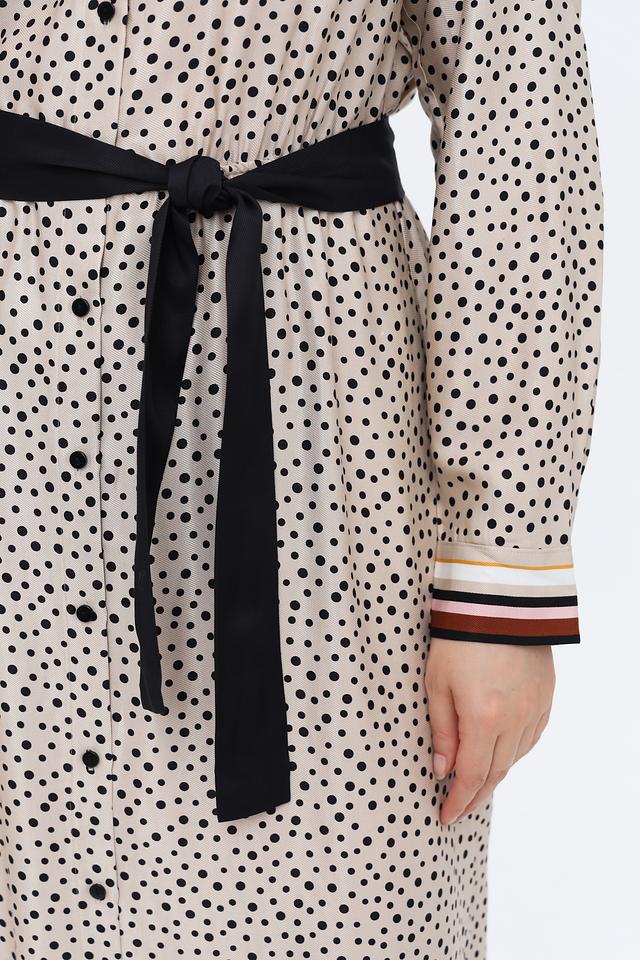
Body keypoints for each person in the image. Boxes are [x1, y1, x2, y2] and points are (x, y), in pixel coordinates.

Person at [0, 1, 601, 958]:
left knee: (335, 900)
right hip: (26, 425)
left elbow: (522, 137)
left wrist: (502, 577)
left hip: (321, 445)